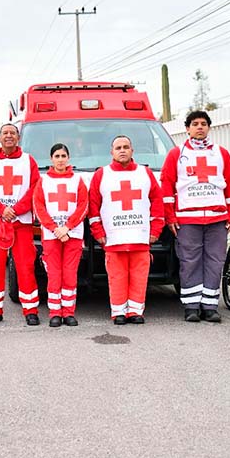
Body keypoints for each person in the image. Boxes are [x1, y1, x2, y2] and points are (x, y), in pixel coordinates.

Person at [160, 111, 230, 323]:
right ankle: (191, 306)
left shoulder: (221, 153)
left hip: (217, 219)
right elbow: (166, 186)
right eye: (195, 124)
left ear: (209, 128)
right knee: (189, 262)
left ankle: (210, 306)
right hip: (187, 219)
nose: (199, 127)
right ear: (187, 128)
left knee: (215, 261)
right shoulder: (176, 154)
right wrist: (170, 217)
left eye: (204, 124)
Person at [89, 136, 164, 324]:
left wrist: (155, 230)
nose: (122, 150)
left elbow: (157, 202)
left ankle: (136, 311)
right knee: (117, 276)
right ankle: (119, 312)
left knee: (139, 276)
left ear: (132, 150)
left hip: (140, 238)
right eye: (118, 147)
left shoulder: (145, 173)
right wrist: (97, 232)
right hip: (113, 239)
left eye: (126, 147)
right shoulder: (101, 174)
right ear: (111, 152)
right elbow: (93, 205)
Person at [0, 123, 41, 326]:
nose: (9, 136)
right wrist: (0, 209)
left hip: (21, 222)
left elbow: (35, 187)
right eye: (5, 133)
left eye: (13, 133)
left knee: (25, 266)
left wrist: (17, 209)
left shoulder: (28, 160)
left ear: (18, 137)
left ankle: (30, 310)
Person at [32, 143, 89, 327]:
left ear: (68, 158)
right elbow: (38, 207)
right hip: (51, 235)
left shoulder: (78, 181)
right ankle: (55, 312)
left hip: (73, 234)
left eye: (63, 156)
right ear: (51, 159)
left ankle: (69, 312)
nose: (60, 159)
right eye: (57, 156)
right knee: (54, 274)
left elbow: (83, 206)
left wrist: (67, 227)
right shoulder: (43, 181)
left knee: (70, 274)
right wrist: (55, 229)